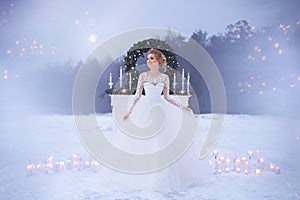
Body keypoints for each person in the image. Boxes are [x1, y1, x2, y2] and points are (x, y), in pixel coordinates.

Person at [123, 48, 191, 121]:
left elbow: (167, 97)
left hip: (160, 108)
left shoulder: (165, 77)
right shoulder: (143, 76)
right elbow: (137, 96)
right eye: (147, 59)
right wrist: (129, 112)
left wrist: (182, 107)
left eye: (152, 58)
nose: (148, 61)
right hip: (146, 107)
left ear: (158, 61)